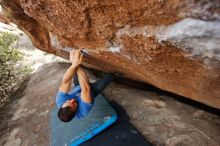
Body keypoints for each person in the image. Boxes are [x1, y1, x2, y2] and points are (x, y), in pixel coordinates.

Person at [56, 49, 115, 122]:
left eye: (68, 101)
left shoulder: (60, 101)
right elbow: (86, 88)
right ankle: (116, 75)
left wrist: (74, 64)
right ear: (76, 111)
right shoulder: (83, 110)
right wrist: (77, 64)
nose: (72, 100)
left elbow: (65, 82)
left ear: (62, 105)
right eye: (74, 104)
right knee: (111, 77)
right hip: (91, 91)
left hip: (78, 87)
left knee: (74, 69)